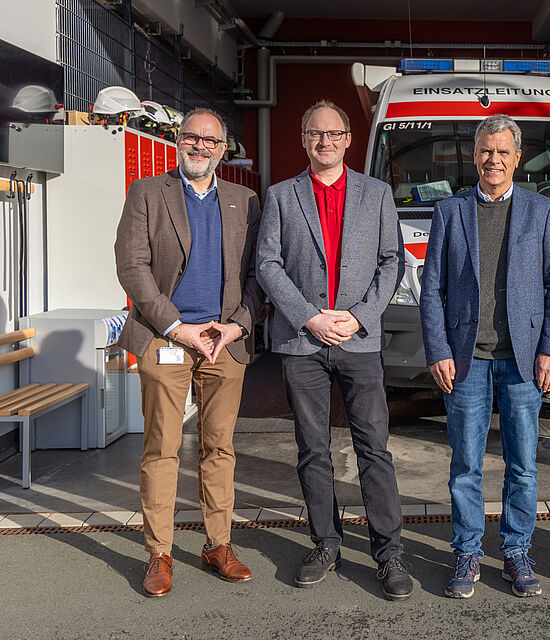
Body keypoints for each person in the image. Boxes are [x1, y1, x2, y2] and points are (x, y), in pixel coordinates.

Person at [255, 100, 413, 600]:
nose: (324, 141)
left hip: (358, 339)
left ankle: (389, 554)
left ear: (348, 139)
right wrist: (309, 316)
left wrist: (360, 315)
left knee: (374, 447)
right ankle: (326, 543)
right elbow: (267, 264)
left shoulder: (376, 193)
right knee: (312, 448)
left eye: (334, 133)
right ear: (303, 140)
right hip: (303, 341)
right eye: (314, 133)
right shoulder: (282, 196)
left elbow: (393, 262)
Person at [419, 114, 550, 599]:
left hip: (524, 361)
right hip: (466, 360)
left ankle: (515, 549)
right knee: (465, 464)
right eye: (486, 151)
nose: (494, 160)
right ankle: (466, 551)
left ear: (517, 158)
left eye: (503, 152)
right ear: (475, 155)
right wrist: (438, 349)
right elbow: (432, 290)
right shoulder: (450, 211)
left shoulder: (542, 211)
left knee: (522, 464)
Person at [115, 107, 264, 597]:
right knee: (162, 449)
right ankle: (159, 553)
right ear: (179, 142)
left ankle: (217, 544)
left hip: (224, 343)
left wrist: (236, 327)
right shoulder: (148, 193)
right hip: (166, 338)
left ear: (223, 149)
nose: (199, 146)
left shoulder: (246, 200)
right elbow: (132, 267)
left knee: (219, 448)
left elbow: (258, 276)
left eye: (209, 140)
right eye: (191, 137)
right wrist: (177, 327)